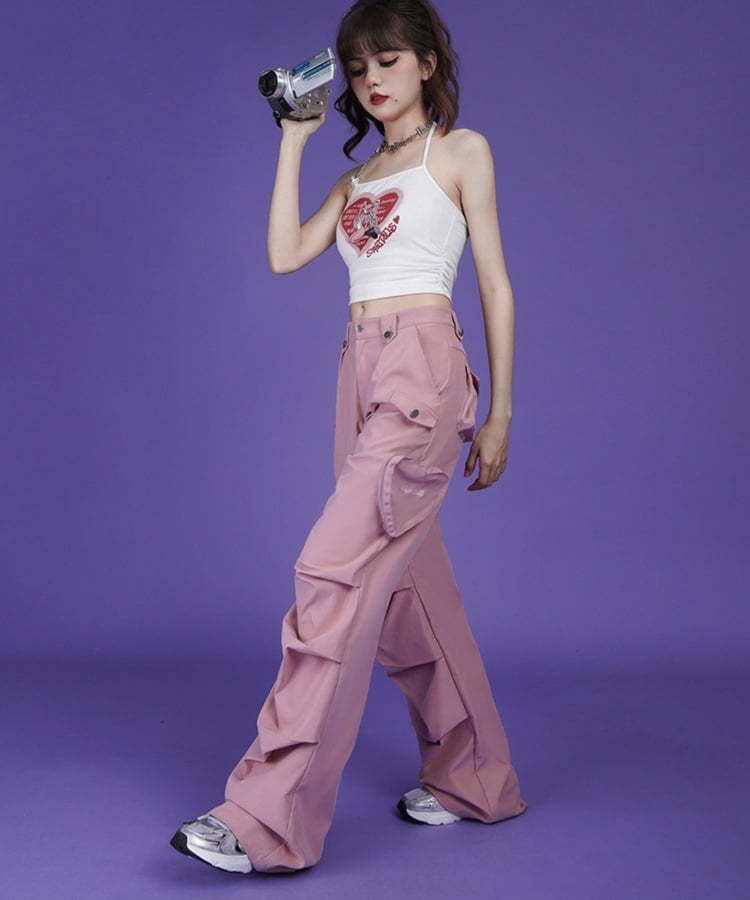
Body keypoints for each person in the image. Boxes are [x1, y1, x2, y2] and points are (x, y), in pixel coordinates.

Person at [170, 0, 527, 875]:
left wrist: (502, 412)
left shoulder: (461, 152)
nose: (371, 80)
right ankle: (476, 778)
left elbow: (494, 282)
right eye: (358, 67)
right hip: (360, 375)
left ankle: (266, 820)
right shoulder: (357, 180)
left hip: (422, 369)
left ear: (427, 64)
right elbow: (284, 254)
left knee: (332, 575)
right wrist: (295, 140)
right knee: (407, 594)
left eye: (389, 61)